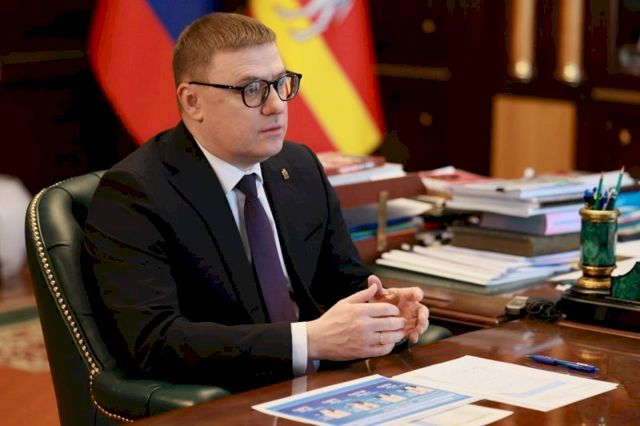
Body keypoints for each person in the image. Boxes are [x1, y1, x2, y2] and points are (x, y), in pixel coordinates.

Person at [83, 12, 428, 393]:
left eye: (281, 83)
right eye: (252, 89)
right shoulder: (135, 193)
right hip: (228, 398)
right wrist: (308, 341)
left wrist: (385, 308)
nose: (276, 105)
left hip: (325, 385)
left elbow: (342, 280)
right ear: (192, 101)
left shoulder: (299, 166)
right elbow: (154, 340)